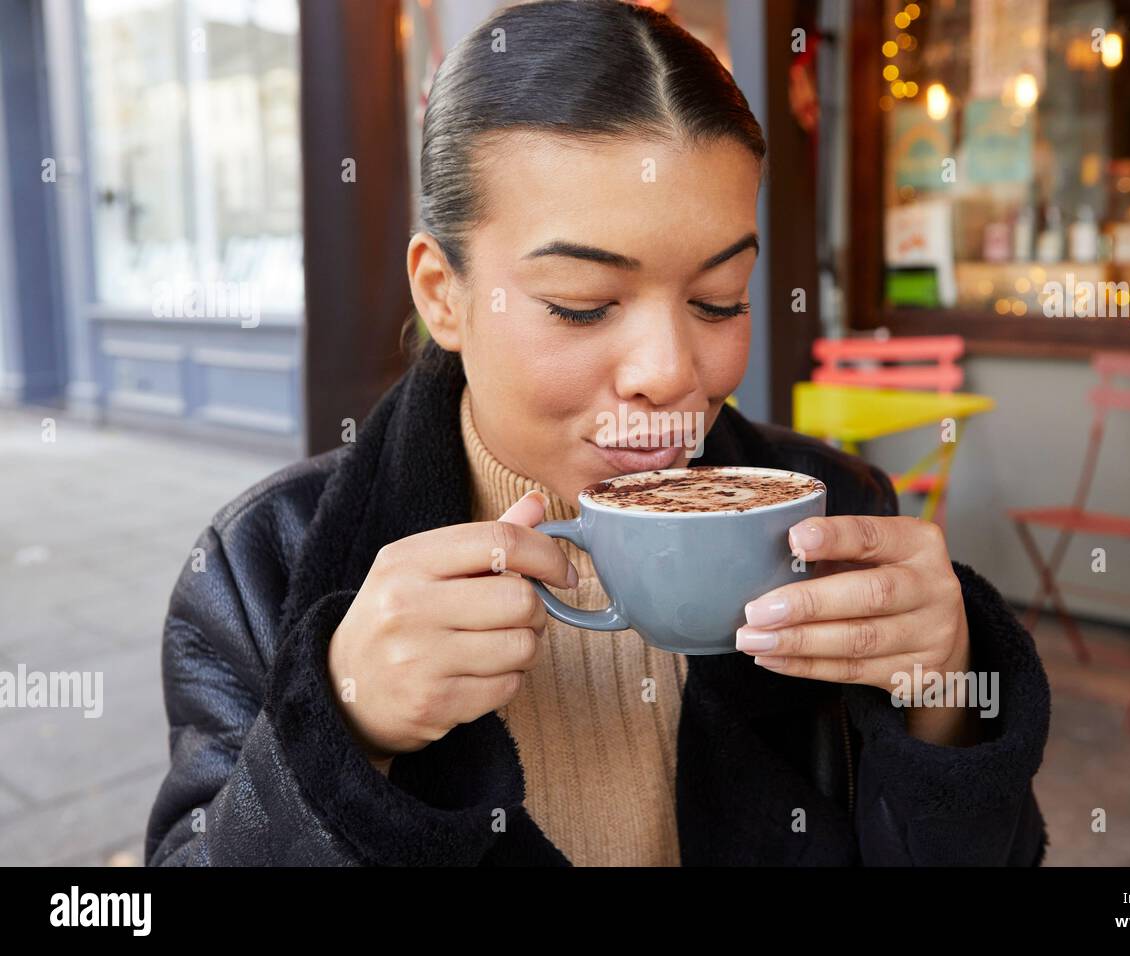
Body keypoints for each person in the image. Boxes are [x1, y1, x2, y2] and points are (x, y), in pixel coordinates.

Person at [146, 0, 1049, 867]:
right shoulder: (262, 567)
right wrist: (343, 732)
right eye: (582, 307)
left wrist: (949, 699)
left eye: (717, 300)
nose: (669, 371)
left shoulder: (839, 514)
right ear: (442, 294)